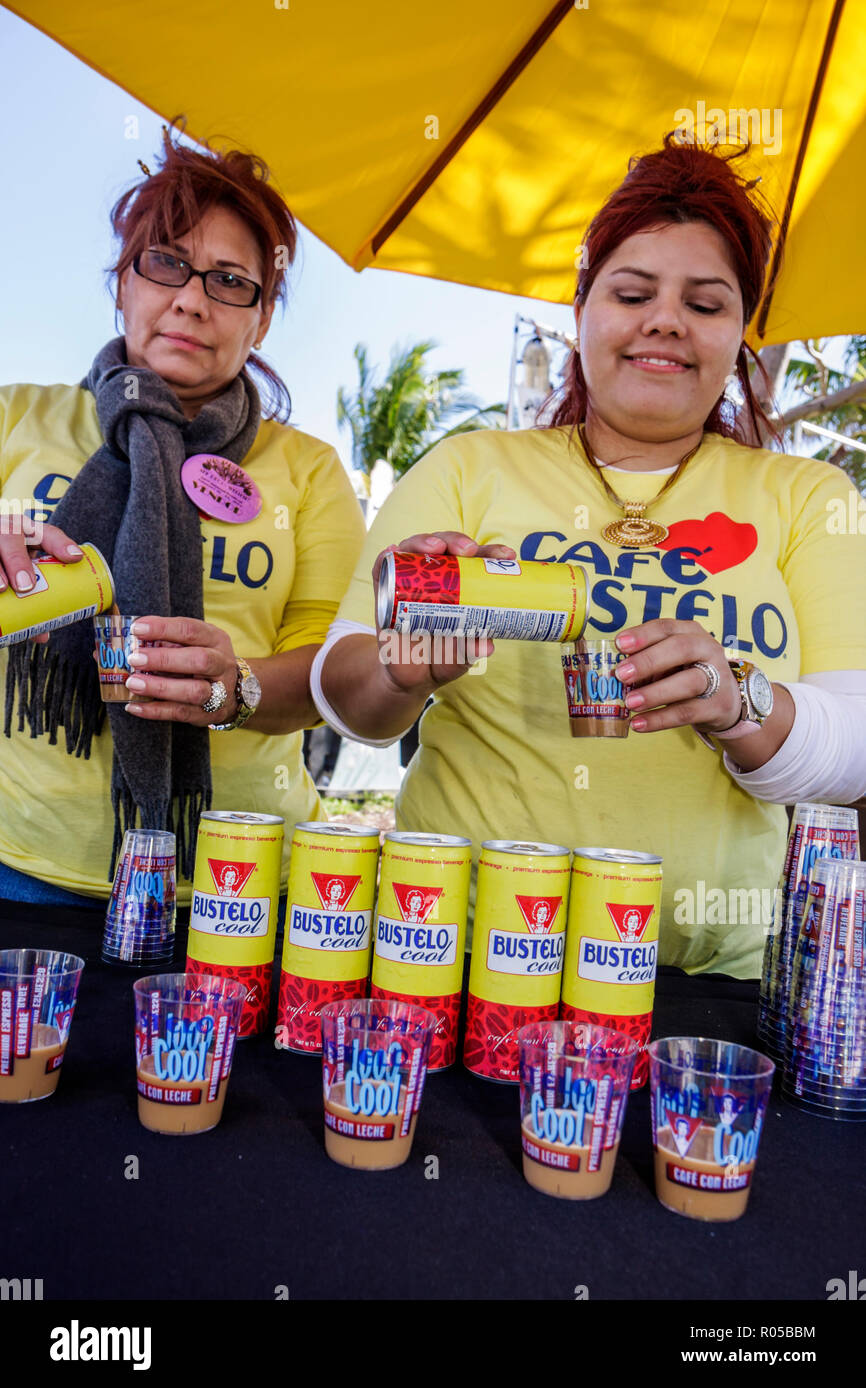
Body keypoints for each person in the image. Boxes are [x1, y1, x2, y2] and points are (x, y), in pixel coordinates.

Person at [314, 135, 866, 979]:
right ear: (580, 311)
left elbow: (853, 748)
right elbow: (342, 694)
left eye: (707, 304)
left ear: (740, 334)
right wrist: (403, 670)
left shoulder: (808, 497)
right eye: (633, 292)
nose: (665, 321)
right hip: (454, 950)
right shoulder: (470, 467)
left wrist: (734, 700)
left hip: (704, 981)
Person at [0, 126, 364, 904]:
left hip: (238, 879)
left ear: (261, 320)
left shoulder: (309, 470)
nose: (192, 300)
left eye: (231, 281)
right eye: (166, 263)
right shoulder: (16, 418)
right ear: (122, 284)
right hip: (18, 865)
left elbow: (335, 674)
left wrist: (237, 687)